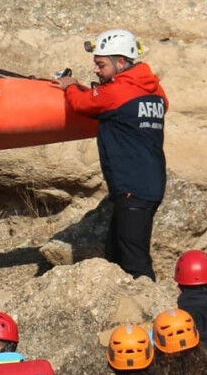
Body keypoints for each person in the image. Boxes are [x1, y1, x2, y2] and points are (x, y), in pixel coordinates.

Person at [54, 30, 167, 280]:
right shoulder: (155, 91)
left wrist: (69, 86)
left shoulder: (118, 92)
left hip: (133, 187)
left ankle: (151, 312)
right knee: (116, 253)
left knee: (134, 261)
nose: (96, 70)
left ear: (121, 63)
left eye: (100, 64)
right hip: (145, 183)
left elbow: (83, 104)